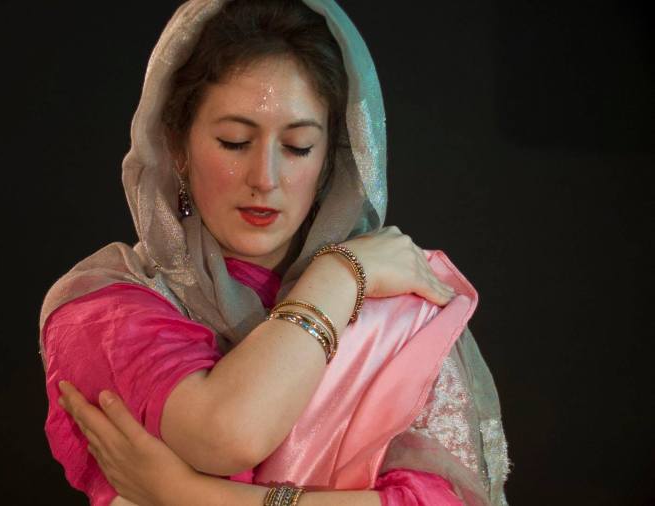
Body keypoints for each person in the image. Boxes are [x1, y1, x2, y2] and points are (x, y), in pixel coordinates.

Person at [38, 1, 509, 505]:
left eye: (298, 146)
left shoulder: (395, 312)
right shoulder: (105, 311)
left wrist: (185, 494)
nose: (265, 178)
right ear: (177, 145)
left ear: (331, 158)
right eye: (235, 141)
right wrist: (337, 278)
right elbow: (228, 433)